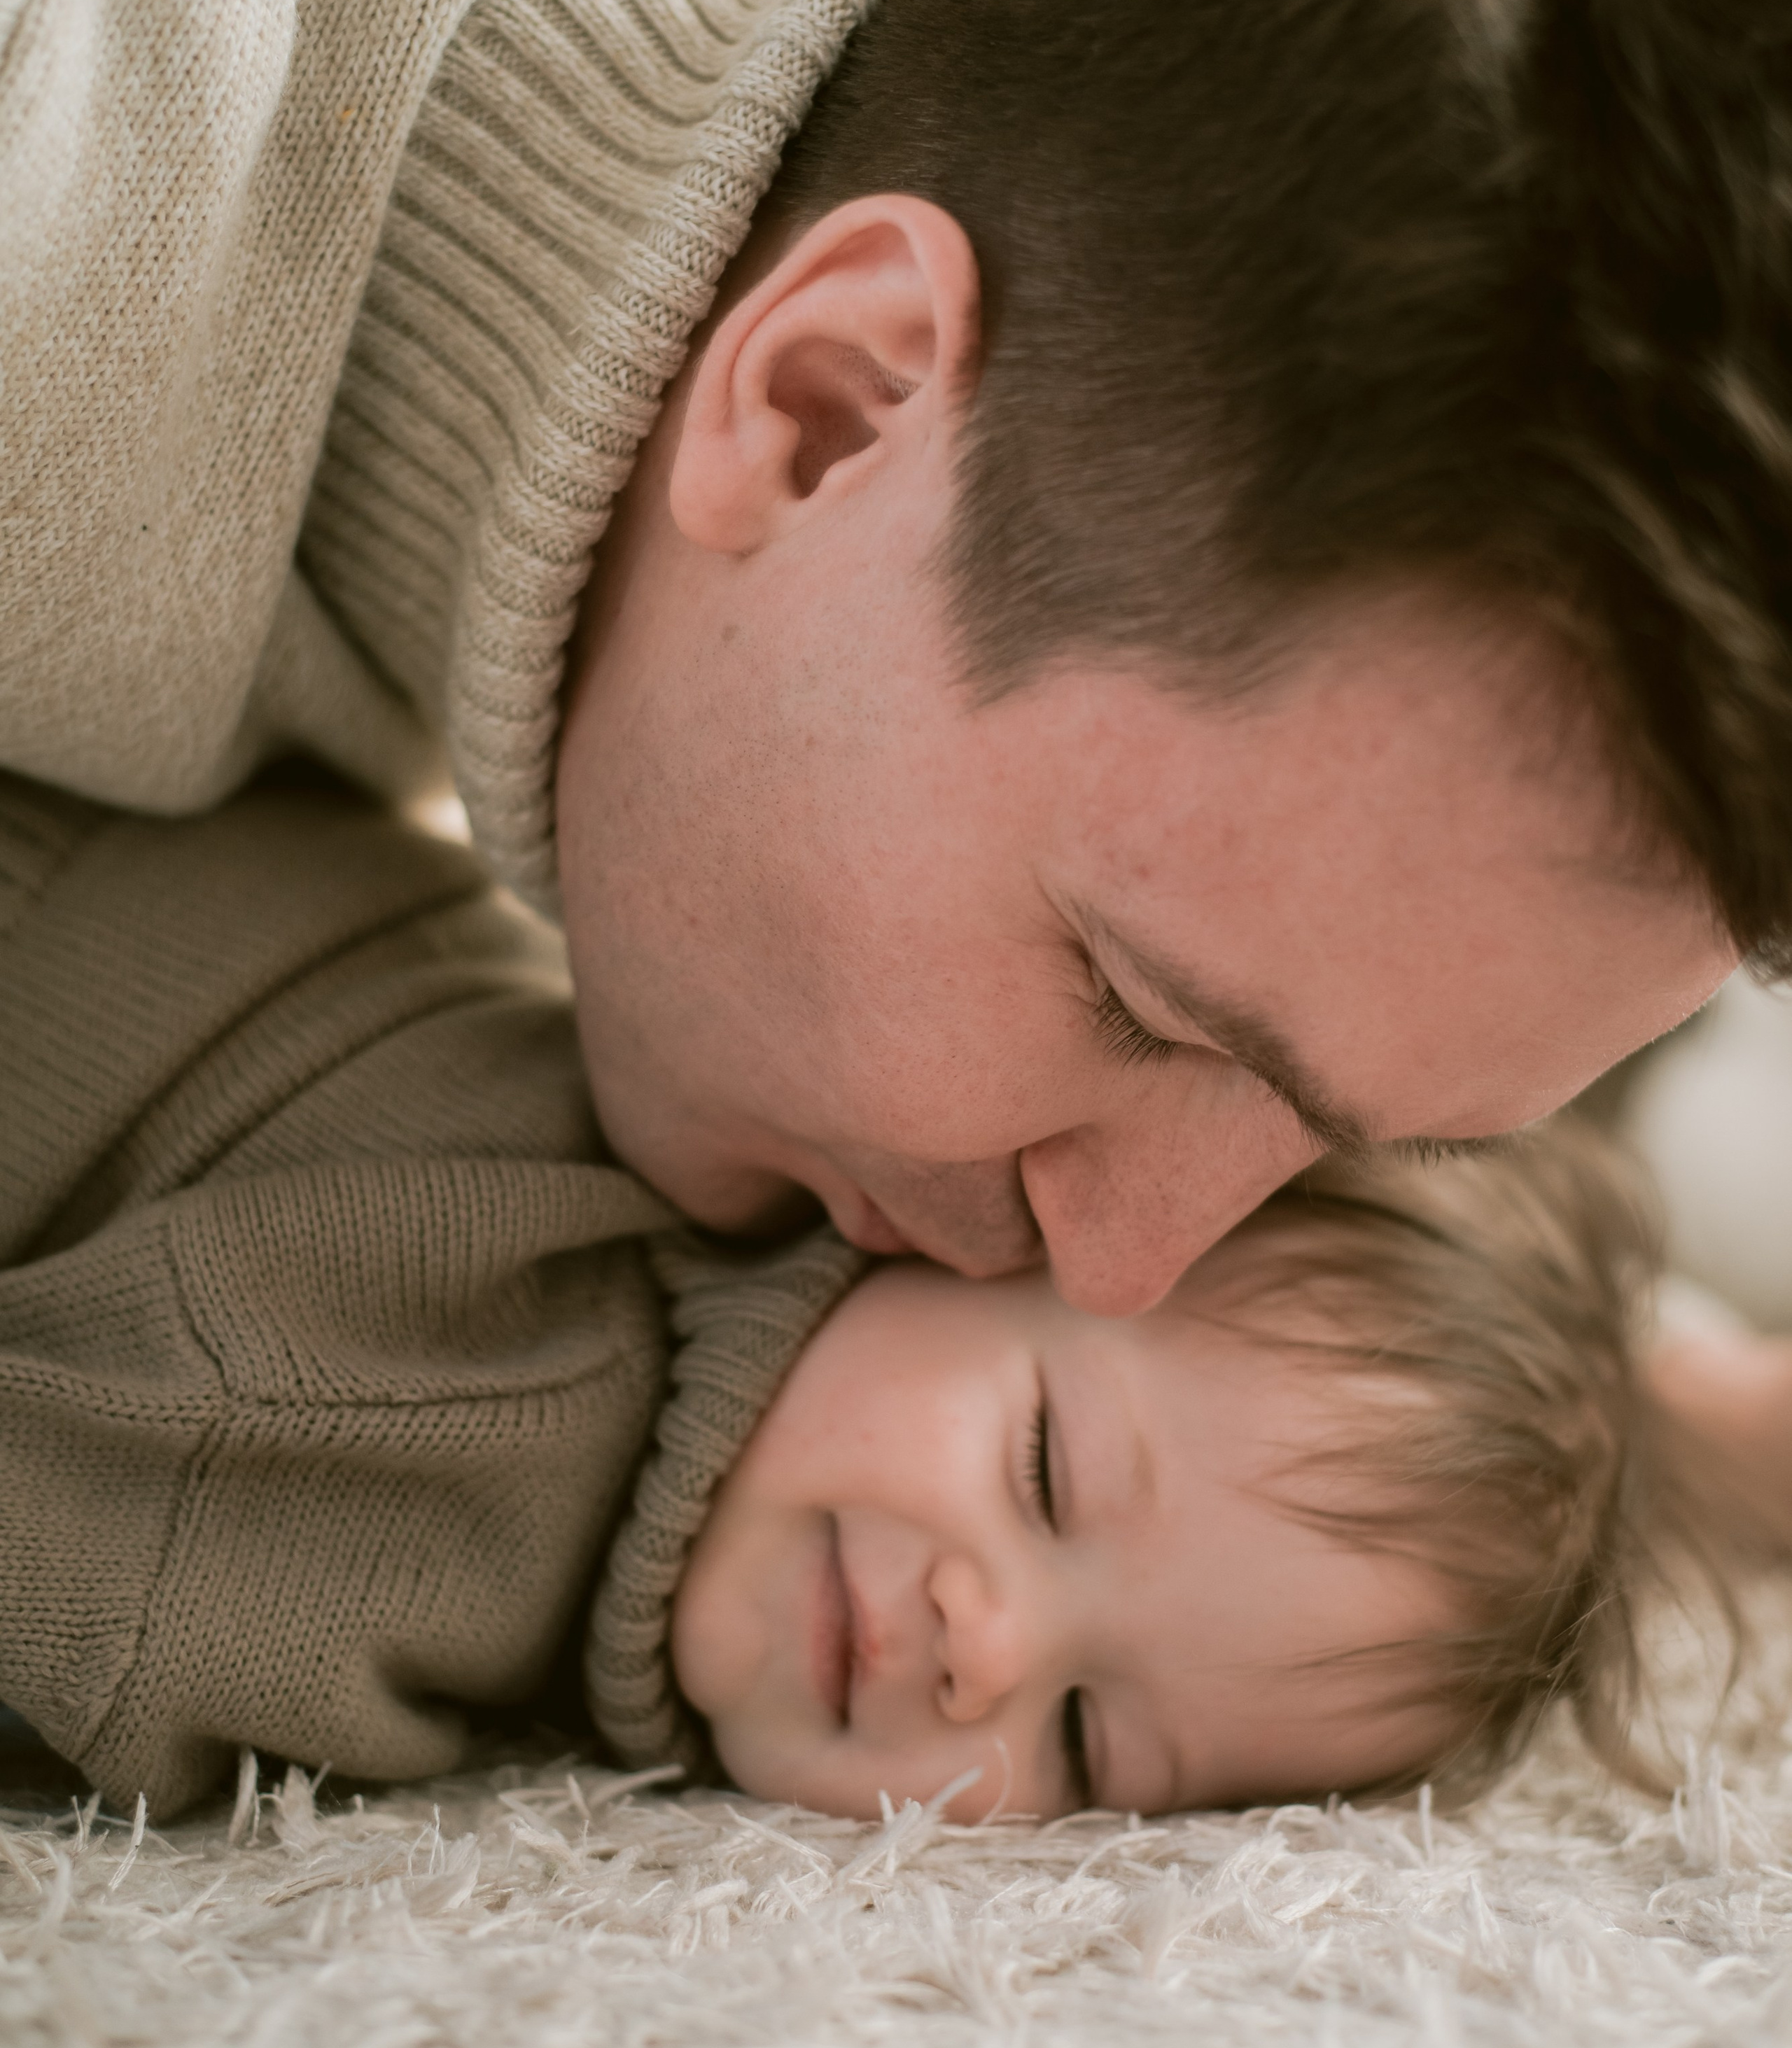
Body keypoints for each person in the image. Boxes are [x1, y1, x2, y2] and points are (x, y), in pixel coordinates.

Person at [1, 0, 1781, 1312]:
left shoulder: (1017, 162)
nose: (1121, 1268)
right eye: (1139, 1013)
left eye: (1347, 1151)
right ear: (828, 402)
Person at [0, 774, 1695, 1823]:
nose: (990, 1647)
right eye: (1043, 1469)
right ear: (978, 1227)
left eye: (1088, 1744)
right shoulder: (446, 1446)